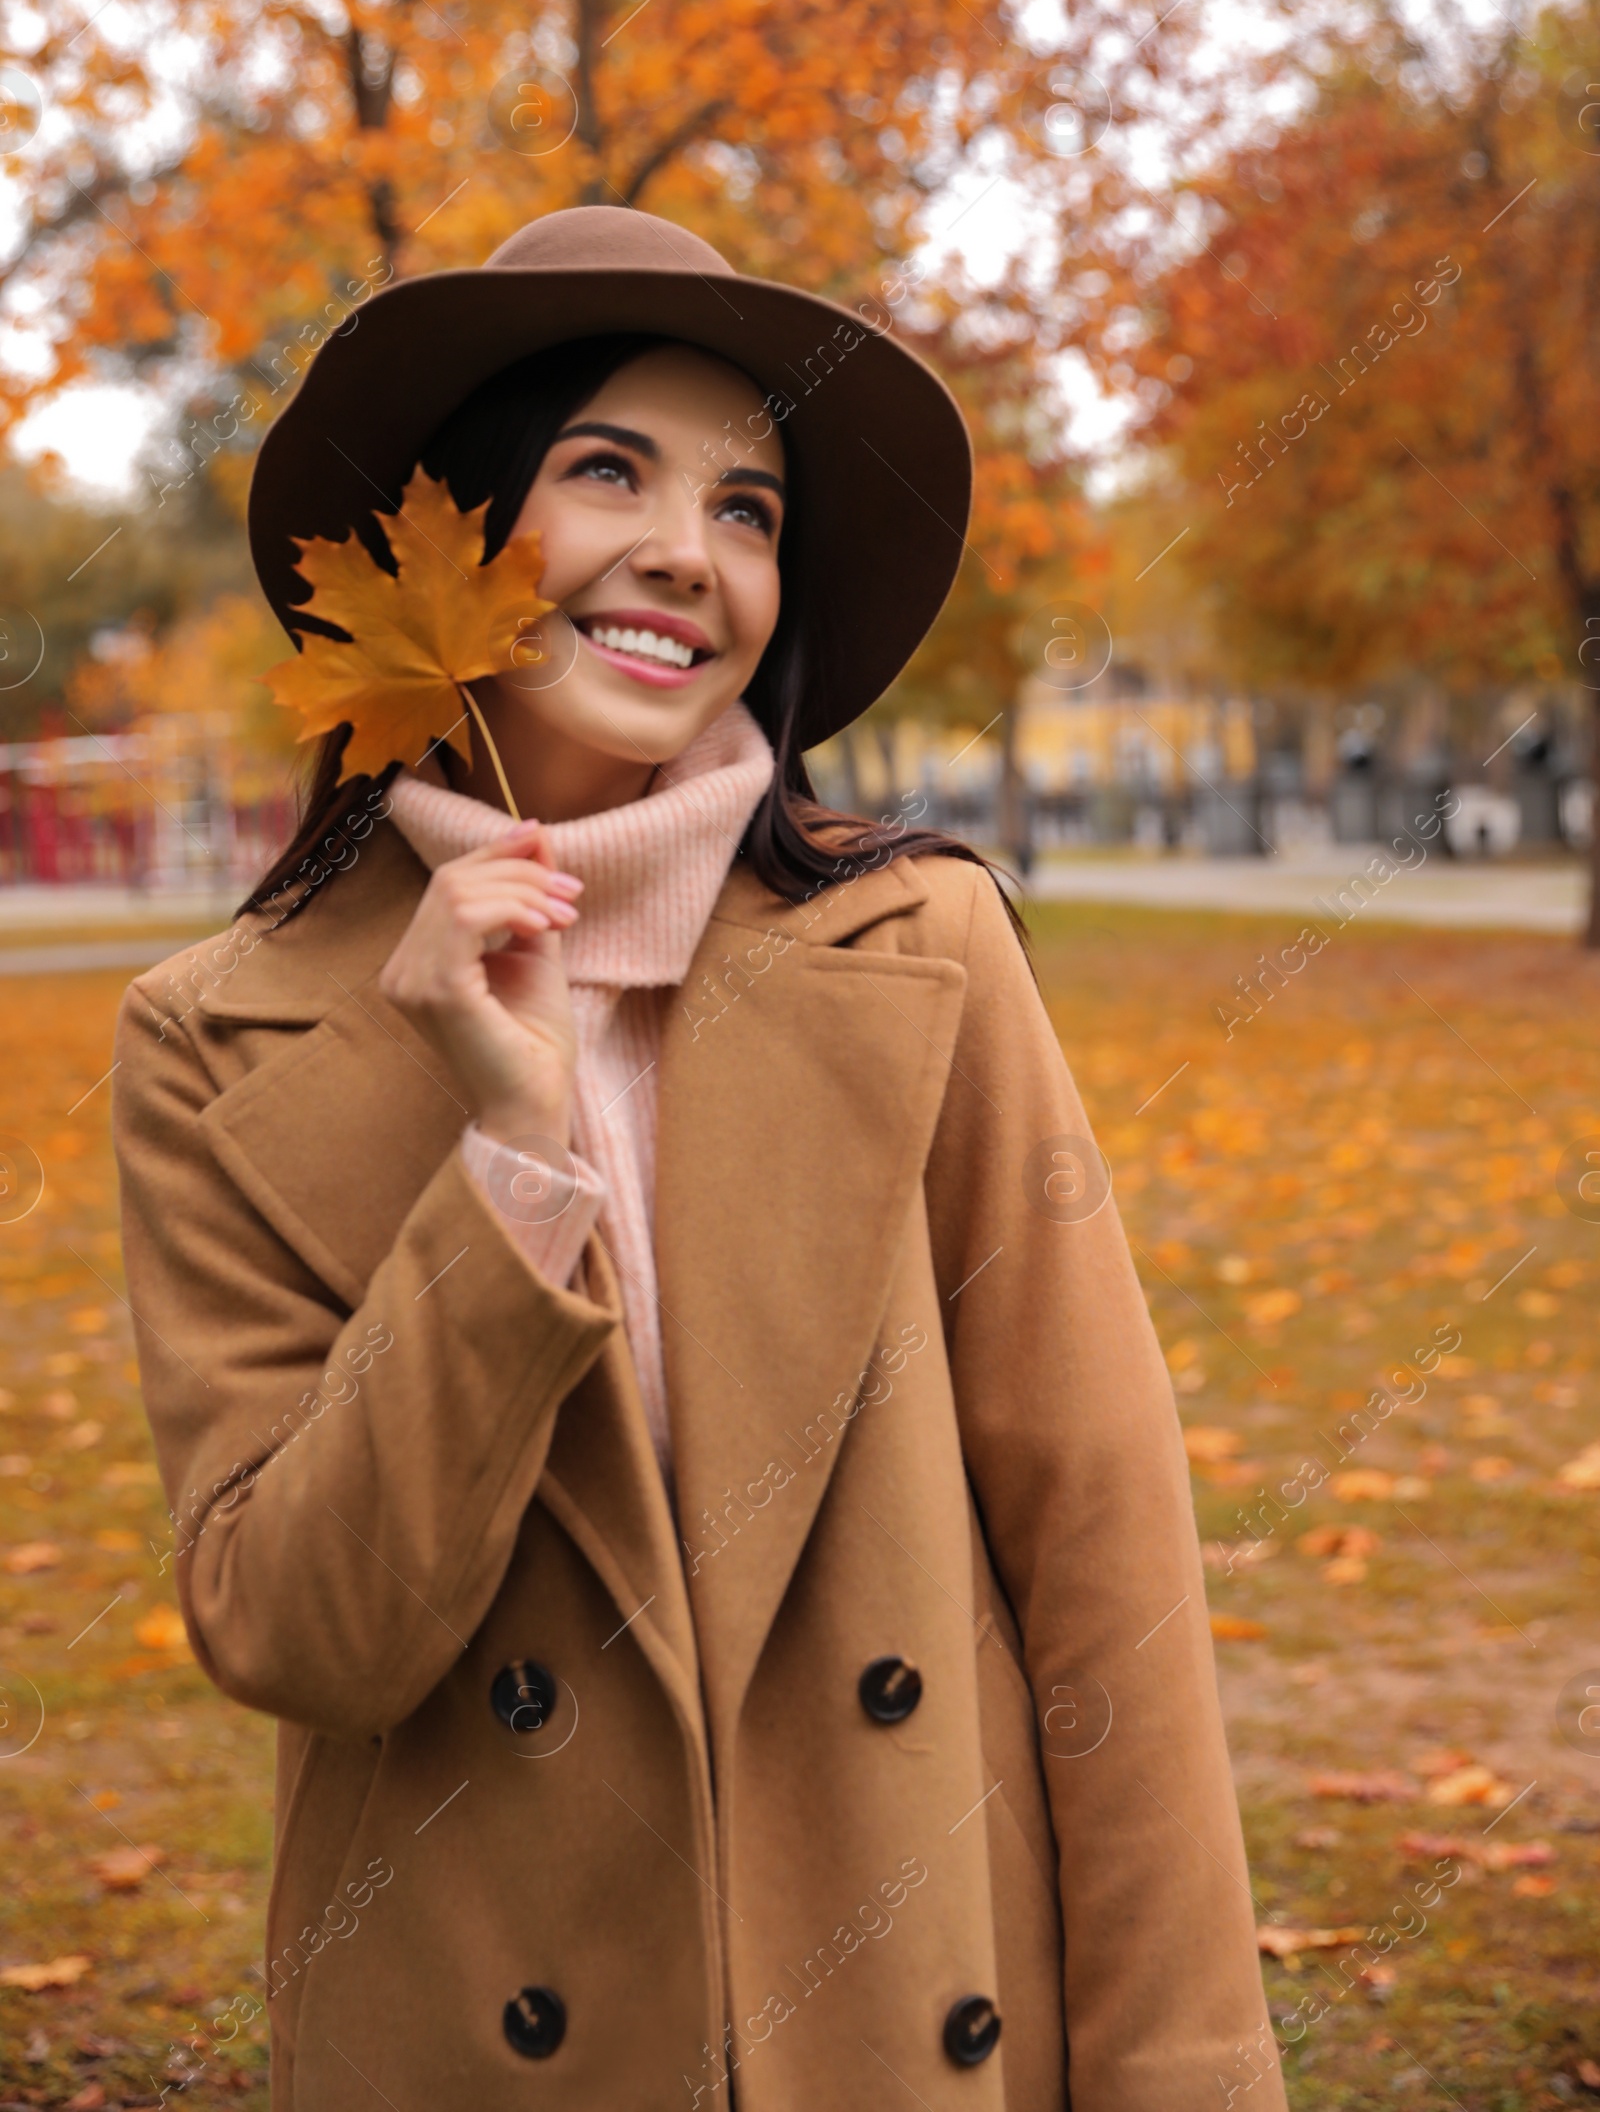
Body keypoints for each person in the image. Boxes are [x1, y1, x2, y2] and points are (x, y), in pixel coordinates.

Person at [113, 206, 1283, 2112]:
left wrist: (1184, 2076)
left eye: (748, 508)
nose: (688, 551)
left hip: (904, 2019)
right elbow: (299, 1628)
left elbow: (1106, 1550)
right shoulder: (215, 1036)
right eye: (606, 472)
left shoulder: (922, 948)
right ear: (457, 524)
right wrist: (508, 1159)